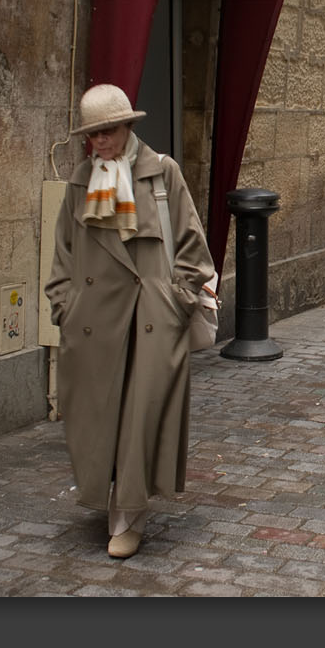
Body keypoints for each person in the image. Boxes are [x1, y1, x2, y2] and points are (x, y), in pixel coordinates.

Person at [45, 83, 216, 559]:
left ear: (129, 126)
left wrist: (175, 303)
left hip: (149, 321)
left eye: (110, 131)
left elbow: (192, 248)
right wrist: (64, 304)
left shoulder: (161, 173)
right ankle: (110, 498)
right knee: (95, 420)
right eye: (93, 134)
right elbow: (62, 252)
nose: (101, 142)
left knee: (141, 421)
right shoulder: (81, 180)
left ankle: (128, 516)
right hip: (92, 324)